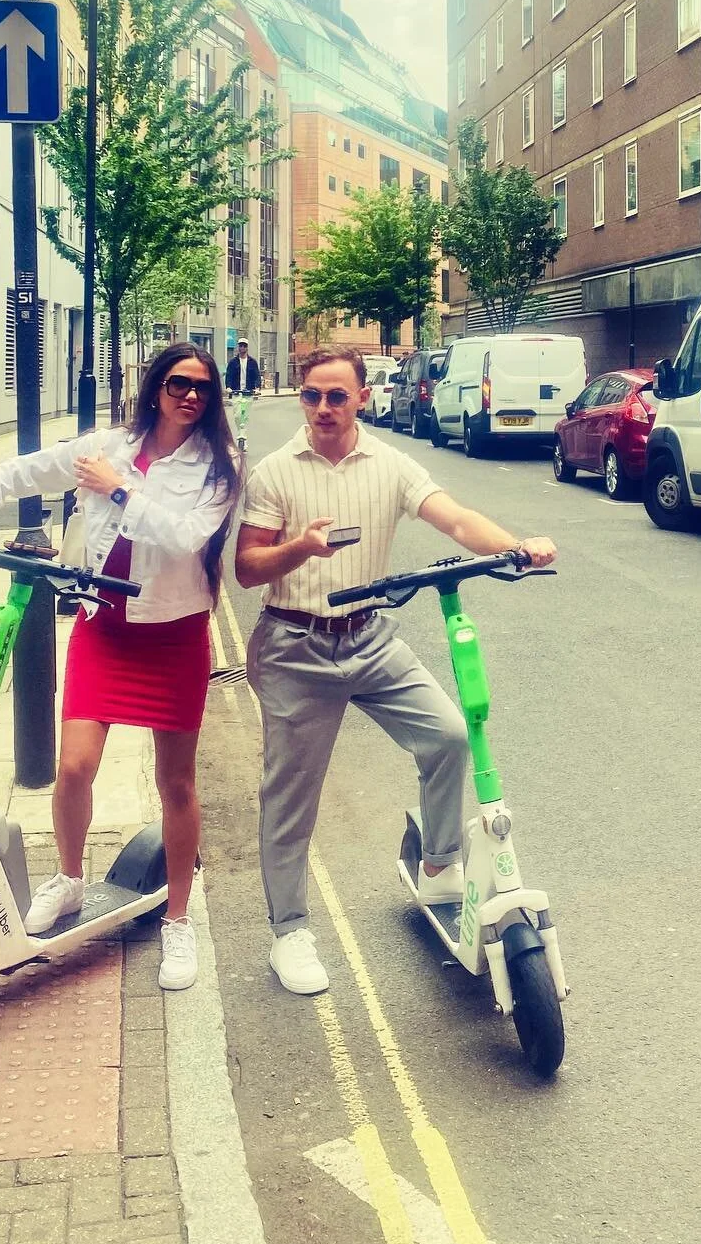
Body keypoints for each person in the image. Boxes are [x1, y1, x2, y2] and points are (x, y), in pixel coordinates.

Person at [234, 345, 557, 995]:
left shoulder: (389, 465)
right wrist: (301, 546)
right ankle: (289, 931)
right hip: (295, 645)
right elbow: (247, 568)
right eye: (312, 396)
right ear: (301, 398)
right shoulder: (274, 473)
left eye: (337, 396)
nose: (324, 408)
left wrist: (518, 547)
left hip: (370, 637)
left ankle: (439, 864)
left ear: (359, 398)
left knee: (448, 735)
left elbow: (457, 519)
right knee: (290, 801)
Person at [0, 341, 241, 992]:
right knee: (74, 767)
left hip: (174, 636)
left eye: (203, 388)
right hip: (105, 630)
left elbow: (186, 538)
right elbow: (16, 473)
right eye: (179, 383)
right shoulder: (105, 447)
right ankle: (69, 879)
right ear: (156, 387)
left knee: (176, 784)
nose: (190, 395)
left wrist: (120, 491)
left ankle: (178, 919)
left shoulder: (220, 465)